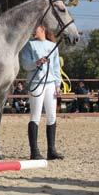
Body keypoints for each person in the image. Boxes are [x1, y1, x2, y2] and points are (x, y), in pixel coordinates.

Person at [20, 25, 64, 160]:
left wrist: (58, 85)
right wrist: (37, 62)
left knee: (52, 116)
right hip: (36, 83)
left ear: (43, 29)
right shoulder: (29, 45)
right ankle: (34, 151)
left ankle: (51, 150)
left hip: (50, 84)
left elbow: (56, 67)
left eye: (35, 29)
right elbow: (25, 65)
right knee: (35, 116)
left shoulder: (53, 46)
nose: (33, 31)